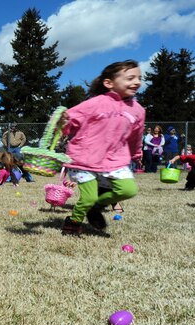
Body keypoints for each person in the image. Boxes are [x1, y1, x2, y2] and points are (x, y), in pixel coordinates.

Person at [58, 60, 144, 235]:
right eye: (130, 78)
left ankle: (95, 207)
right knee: (87, 197)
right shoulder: (95, 103)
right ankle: (73, 222)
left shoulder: (138, 110)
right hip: (85, 157)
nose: (137, 82)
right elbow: (71, 121)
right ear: (109, 83)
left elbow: (136, 136)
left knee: (128, 190)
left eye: (139, 78)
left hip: (115, 160)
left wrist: (136, 153)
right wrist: (63, 122)